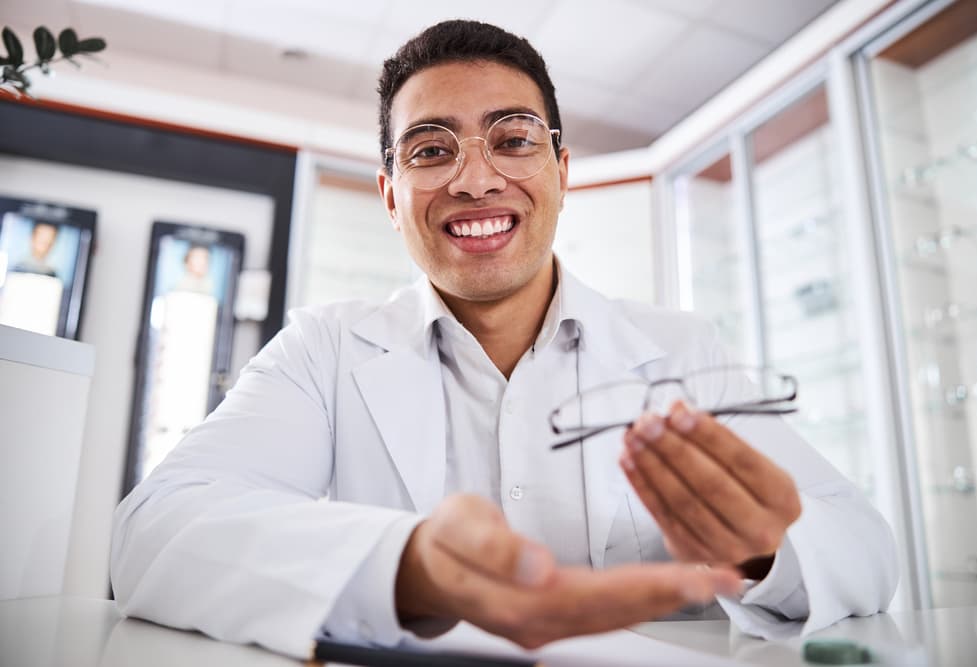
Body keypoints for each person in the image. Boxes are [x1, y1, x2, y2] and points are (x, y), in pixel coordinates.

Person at [110, 19, 898, 659]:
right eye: (430, 149)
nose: (476, 179)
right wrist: (412, 564)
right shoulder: (326, 348)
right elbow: (155, 529)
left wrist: (765, 548)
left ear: (561, 169)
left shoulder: (679, 350)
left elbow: (866, 551)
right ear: (391, 195)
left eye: (513, 140)